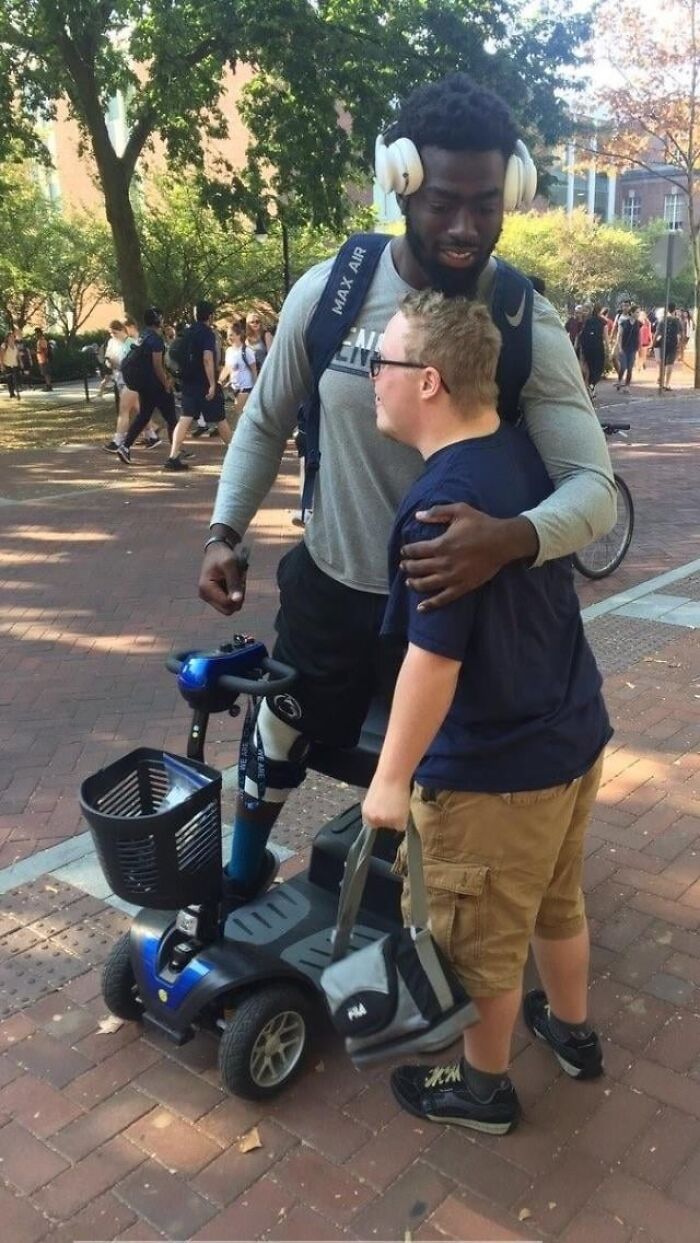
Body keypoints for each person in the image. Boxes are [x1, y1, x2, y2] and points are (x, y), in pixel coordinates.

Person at [198, 72, 616, 909]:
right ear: (402, 185)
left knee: (435, 766)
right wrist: (224, 531)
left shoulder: (520, 321)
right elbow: (264, 420)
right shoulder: (330, 295)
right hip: (333, 584)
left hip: (451, 604)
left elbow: (594, 490)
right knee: (280, 724)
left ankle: (429, 908)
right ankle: (244, 866)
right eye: (444, 202)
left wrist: (510, 538)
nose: (465, 227)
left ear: (514, 194)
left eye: (487, 203)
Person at [361, 290, 609, 1133]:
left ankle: (484, 1088)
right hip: (572, 733)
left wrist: (390, 782)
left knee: (480, 941)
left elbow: (431, 664)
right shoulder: (520, 455)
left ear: (427, 381)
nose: (372, 378)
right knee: (557, 899)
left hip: (495, 774)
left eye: (381, 363)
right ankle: (574, 1034)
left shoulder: (439, 504)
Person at [164, 301, 232, 472]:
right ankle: (234, 454)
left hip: (188, 382)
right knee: (220, 418)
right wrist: (211, 384)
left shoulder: (187, 332)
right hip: (203, 381)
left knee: (185, 418)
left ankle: (173, 456)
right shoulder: (207, 333)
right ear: (210, 316)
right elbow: (207, 358)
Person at [116, 307, 178, 465]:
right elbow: (157, 366)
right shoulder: (156, 340)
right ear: (158, 320)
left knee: (144, 415)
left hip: (144, 383)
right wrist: (166, 383)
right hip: (155, 384)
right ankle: (175, 453)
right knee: (172, 418)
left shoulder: (143, 335)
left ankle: (125, 446)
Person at [219, 322, 258, 424]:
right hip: (234, 387)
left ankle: (239, 436)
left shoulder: (247, 351)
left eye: (232, 334)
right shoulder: (229, 351)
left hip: (246, 387)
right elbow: (227, 368)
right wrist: (220, 380)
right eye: (228, 335)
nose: (229, 337)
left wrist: (255, 387)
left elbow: (254, 370)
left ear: (239, 335)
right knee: (240, 413)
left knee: (238, 411)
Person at [577, 303, 608, 397]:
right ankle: (587, 389)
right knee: (585, 370)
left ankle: (590, 387)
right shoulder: (580, 321)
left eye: (587, 309)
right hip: (585, 348)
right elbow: (579, 335)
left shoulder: (600, 321)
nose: (585, 311)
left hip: (595, 349)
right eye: (584, 309)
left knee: (593, 370)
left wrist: (608, 347)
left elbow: (604, 335)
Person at [654, 302, 681, 391]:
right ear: (674, 309)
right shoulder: (677, 320)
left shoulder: (662, 320)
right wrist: (679, 345)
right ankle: (667, 383)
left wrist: (654, 344)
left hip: (663, 344)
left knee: (663, 364)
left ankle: (661, 382)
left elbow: (657, 333)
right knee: (670, 365)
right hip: (673, 344)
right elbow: (679, 334)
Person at [614, 303, 640, 389]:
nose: (638, 314)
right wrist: (620, 347)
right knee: (623, 366)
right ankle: (619, 380)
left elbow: (638, 335)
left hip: (633, 348)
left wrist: (638, 347)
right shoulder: (624, 323)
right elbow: (619, 335)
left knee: (630, 368)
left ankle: (627, 386)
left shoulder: (638, 323)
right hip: (624, 348)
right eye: (636, 312)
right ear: (631, 313)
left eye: (638, 312)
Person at [1, 329, 21, 398]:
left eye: (13, 336)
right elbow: (1, 356)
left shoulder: (16, 345)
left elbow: (18, 355)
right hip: (7, 365)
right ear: (7, 337)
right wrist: (2, 365)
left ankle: (17, 391)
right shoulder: (4, 345)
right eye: (11, 336)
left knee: (16, 379)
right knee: (10, 380)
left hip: (14, 364)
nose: (12, 338)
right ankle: (12, 393)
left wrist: (20, 362)